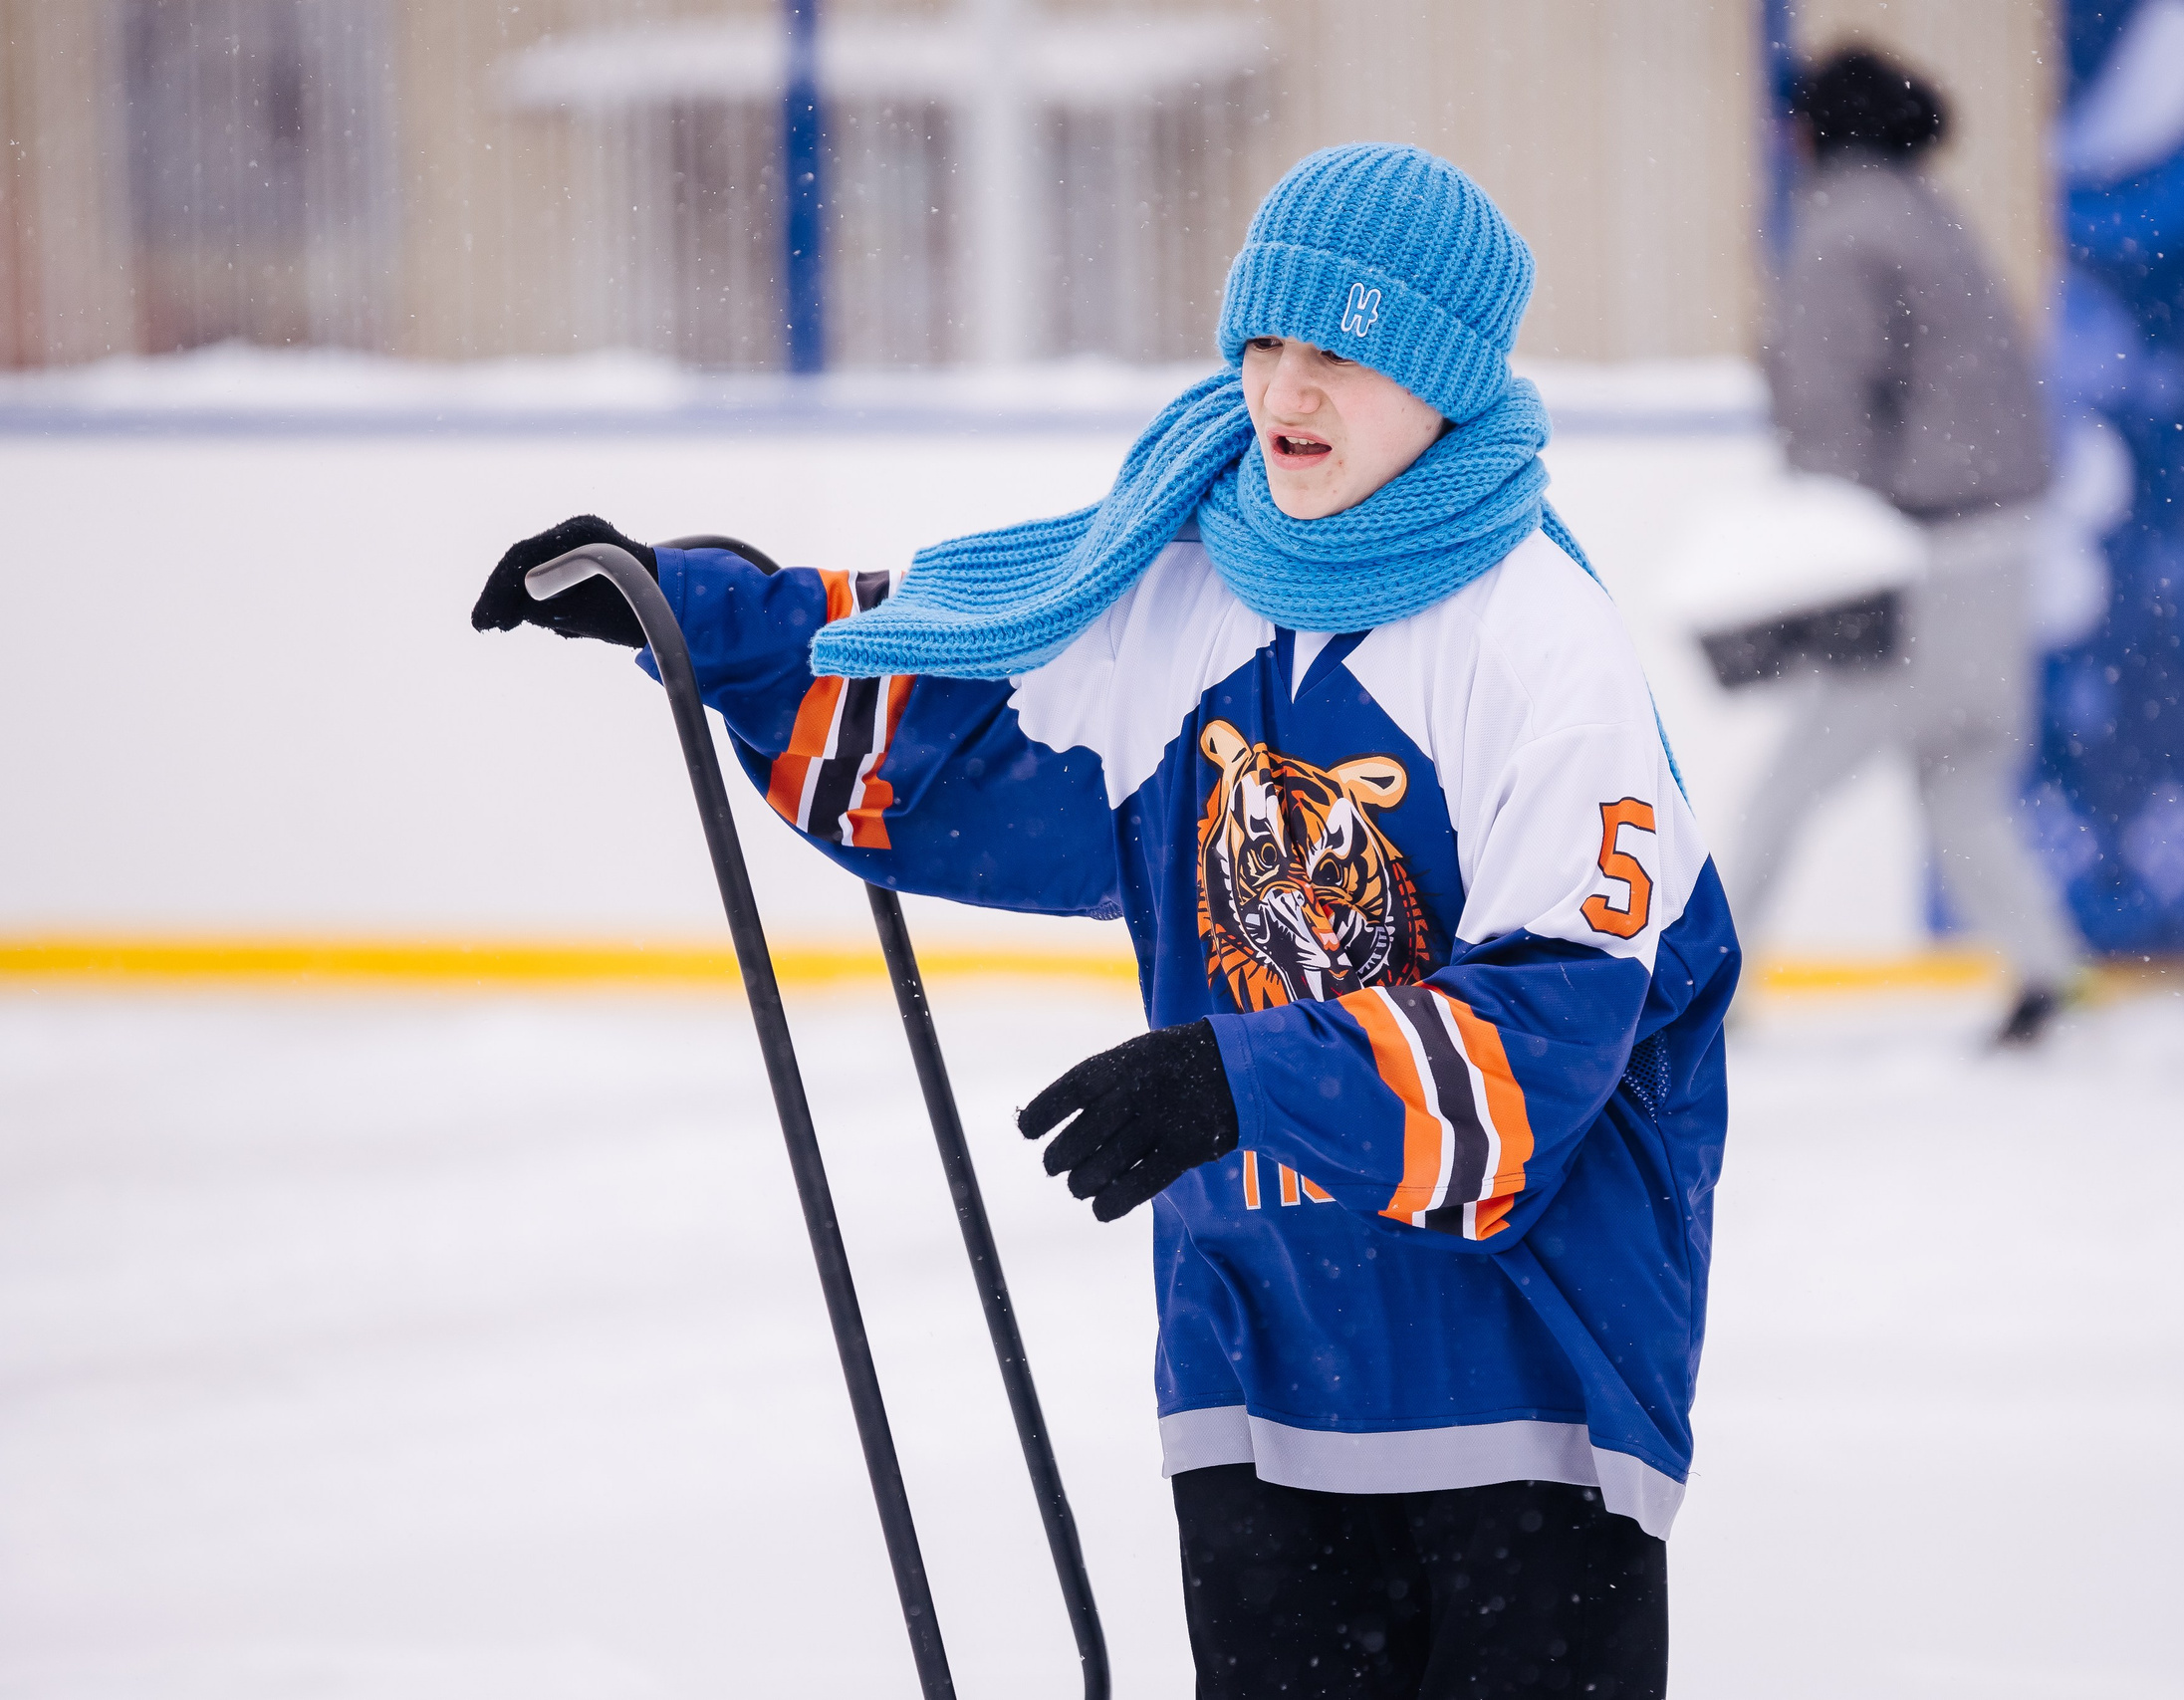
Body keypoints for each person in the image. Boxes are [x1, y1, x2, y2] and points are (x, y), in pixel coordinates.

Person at [474, 143, 1738, 1699]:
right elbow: (958, 708)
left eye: (1340, 351)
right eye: (1267, 342)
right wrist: (696, 613)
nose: (1288, 386)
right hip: (1258, 1360)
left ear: (1444, 379)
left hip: (1529, 1391)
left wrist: (1233, 1078)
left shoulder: (1542, 637)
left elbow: (1555, 1032)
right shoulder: (1186, 581)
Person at [1752, 47, 2088, 1045]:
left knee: (1784, 786)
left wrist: (1814, 551)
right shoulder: (1926, 216)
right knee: (1962, 780)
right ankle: (2046, 975)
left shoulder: (1842, 231)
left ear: (1816, 130)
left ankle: (1693, 996)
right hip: (1996, 551)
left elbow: (1825, 411)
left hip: (1919, 563)